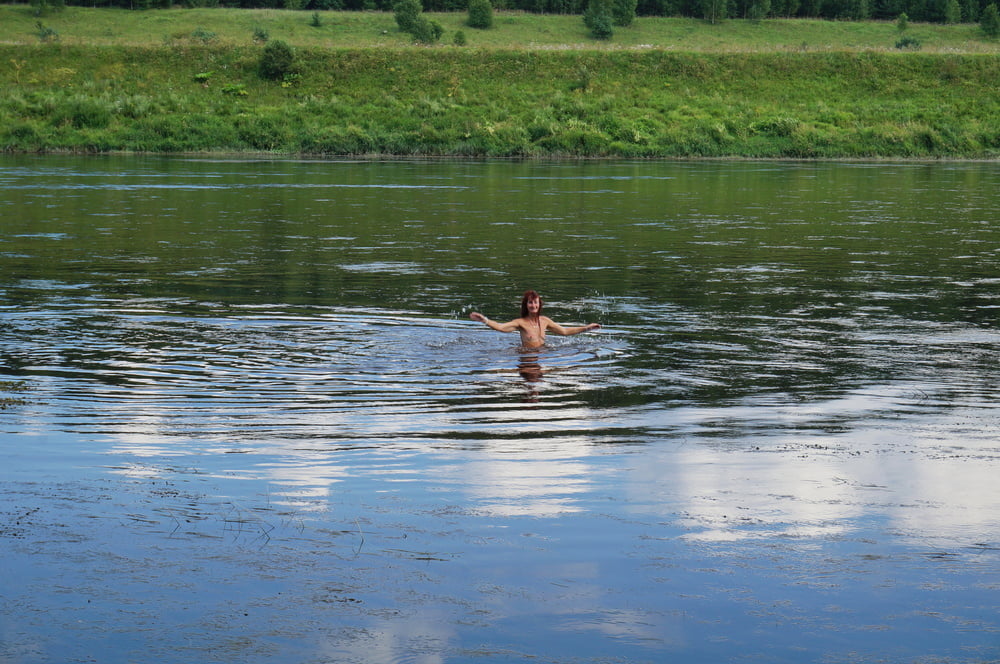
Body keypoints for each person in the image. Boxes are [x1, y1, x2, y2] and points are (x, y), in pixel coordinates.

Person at [469, 290, 601, 349]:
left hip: (542, 354)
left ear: (540, 304)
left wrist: (586, 328)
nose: (533, 306)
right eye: (530, 303)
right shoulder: (520, 323)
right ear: (526, 305)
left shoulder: (544, 321)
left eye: (536, 302)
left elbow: (564, 331)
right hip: (527, 358)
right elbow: (501, 327)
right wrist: (484, 320)